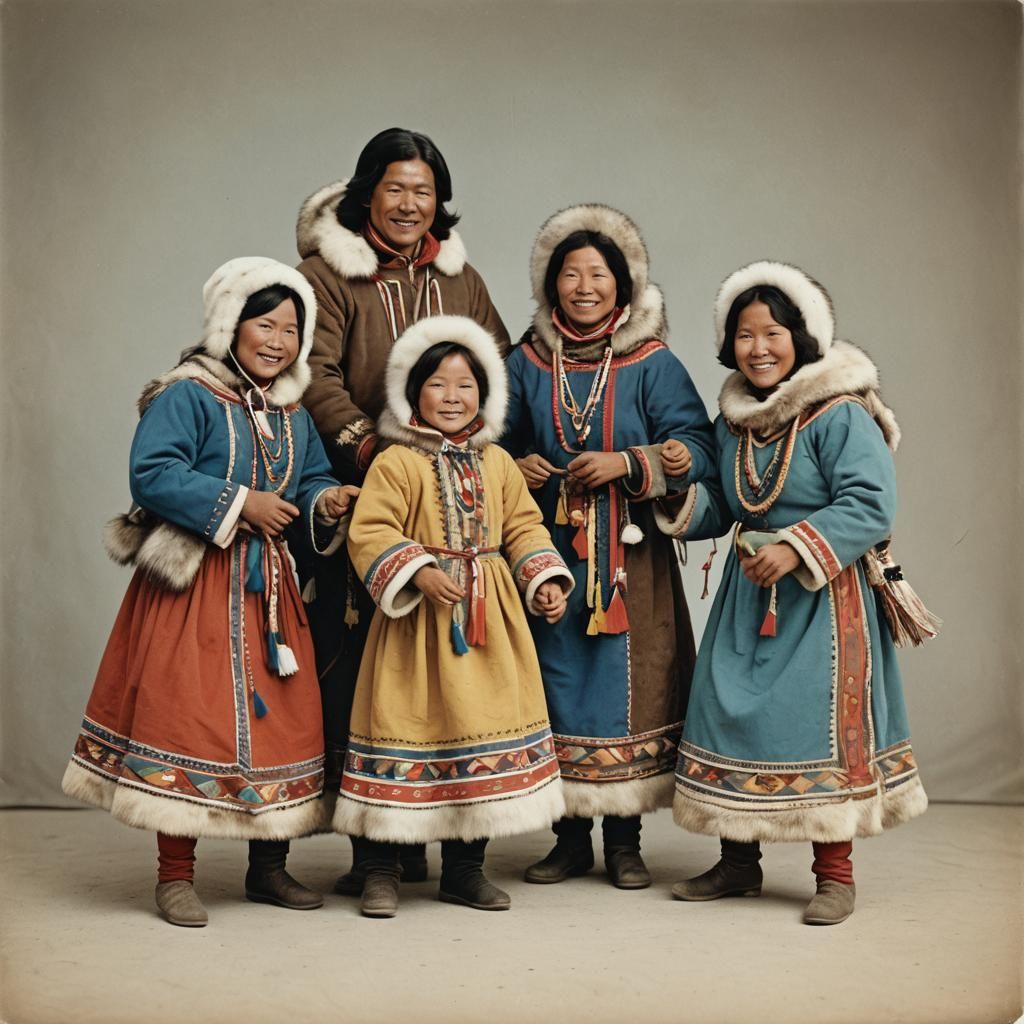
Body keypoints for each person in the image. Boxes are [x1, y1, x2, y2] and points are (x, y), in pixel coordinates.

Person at [61, 257, 358, 927]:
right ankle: (174, 876)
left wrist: (325, 501)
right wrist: (242, 503)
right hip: (196, 588)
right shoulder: (187, 394)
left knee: (285, 721)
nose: (278, 341)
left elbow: (306, 478)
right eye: (265, 324)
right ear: (231, 324)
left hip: (272, 597)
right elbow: (153, 474)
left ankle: (269, 869)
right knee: (189, 721)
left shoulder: (293, 411)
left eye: (290, 329)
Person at [659, 260, 932, 925]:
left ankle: (834, 875)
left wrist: (794, 548)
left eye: (772, 333)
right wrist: (673, 494)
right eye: (745, 335)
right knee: (730, 711)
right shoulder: (737, 421)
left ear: (802, 338)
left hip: (823, 600)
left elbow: (872, 502)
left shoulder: (840, 413)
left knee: (816, 725)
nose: (758, 348)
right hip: (749, 596)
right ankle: (738, 862)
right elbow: (729, 502)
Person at [294, 128, 510, 892]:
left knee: (460, 682)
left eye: (424, 191)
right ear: (366, 195)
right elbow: (309, 372)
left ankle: (456, 849)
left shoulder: (463, 279)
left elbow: (493, 369)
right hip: (367, 492)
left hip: (456, 500)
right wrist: (370, 453)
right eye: (396, 189)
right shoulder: (328, 277)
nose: (411, 204)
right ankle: (378, 853)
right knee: (369, 679)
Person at [502, 205, 716, 889]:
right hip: (549, 552)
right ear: (550, 284)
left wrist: (630, 464)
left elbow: (700, 448)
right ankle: (569, 840)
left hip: (632, 558)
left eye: (598, 273)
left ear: (623, 287)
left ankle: (625, 841)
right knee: (558, 685)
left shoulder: (653, 363)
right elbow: (485, 441)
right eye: (570, 273)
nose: (584, 286)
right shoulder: (525, 361)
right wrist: (518, 467)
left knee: (636, 688)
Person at [335, 314, 573, 918]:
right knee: (402, 728)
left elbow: (522, 525)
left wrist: (543, 577)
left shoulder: (497, 463)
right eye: (437, 384)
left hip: (488, 618)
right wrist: (417, 569)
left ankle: (465, 869)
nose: (451, 397)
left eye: (465, 385)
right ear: (413, 392)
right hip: (415, 628)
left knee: (480, 733)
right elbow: (371, 529)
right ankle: (382, 871)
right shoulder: (397, 461)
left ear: (484, 395)